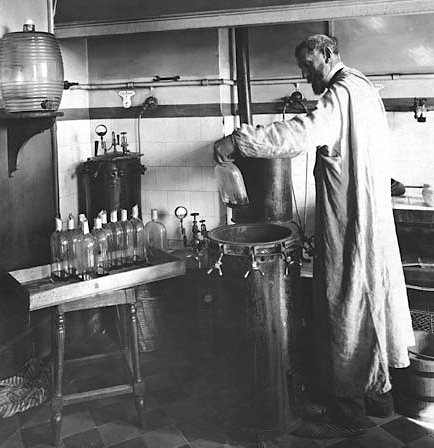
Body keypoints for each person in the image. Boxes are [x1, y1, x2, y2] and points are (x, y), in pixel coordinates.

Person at [214, 34, 415, 431]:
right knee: (371, 299)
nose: (306, 75)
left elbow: (299, 134)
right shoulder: (364, 88)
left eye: (310, 65)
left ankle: (348, 408)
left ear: (329, 54)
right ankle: (378, 393)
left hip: (351, 221)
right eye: (302, 69)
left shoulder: (340, 94)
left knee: (347, 302)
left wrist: (238, 141)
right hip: (370, 216)